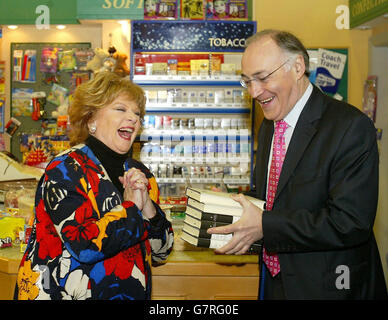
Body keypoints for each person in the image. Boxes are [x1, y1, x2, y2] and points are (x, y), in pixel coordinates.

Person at [208, 29, 387, 299]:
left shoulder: (349, 127)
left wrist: (265, 225)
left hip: (330, 287)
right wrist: (236, 205)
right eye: (247, 81)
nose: (255, 92)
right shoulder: (270, 125)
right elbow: (275, 198)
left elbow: (350, 222)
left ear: (298, 67)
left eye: (263, 77)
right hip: (276, 281)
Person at [15, 72, 174, 300]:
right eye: (121, 109)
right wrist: (130, 206)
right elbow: (84, 245)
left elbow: (162, 253)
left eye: (137, 114)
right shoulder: (65, 169)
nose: (133, 118)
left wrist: (147, 206)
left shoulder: (141, 175)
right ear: (91, 120)